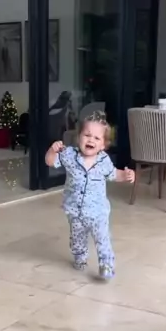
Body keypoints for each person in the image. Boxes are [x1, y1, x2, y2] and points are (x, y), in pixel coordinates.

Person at [45, 111, 135, 280]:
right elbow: (50, 162)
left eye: (96, 138)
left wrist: (126, 175)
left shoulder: (104, 161)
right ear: (78, 136)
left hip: (98, 212)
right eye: (87, 135)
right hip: (75, 211)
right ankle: (80, 258)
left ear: (103, 145)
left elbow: (114, 174)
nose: (91, 140)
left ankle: (106, 264)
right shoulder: (69, 155)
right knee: (77, 239)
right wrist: (52, 150)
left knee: (102, 238)